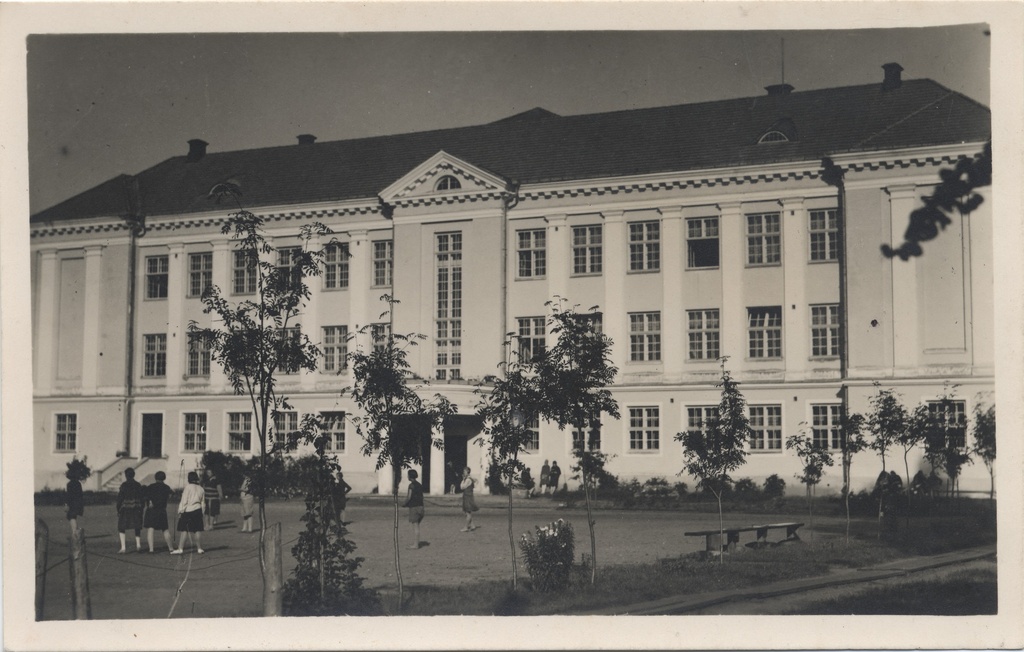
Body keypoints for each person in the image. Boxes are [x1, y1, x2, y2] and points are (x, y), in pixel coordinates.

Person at [172, 471, 206, 554]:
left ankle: (180, 549)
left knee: (184, 530)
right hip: (198, 510)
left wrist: (180, 511)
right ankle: (199, 548)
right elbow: (203, 502)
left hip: (188, 510)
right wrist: (202, 512)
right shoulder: (201, 488)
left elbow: (184, 500)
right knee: (197, 530)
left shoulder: (187, 487)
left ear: (189, 479)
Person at [143, 471, 175, 553]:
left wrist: (149, 502)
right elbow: (172, 493)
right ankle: (171, 548)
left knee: (151, 529)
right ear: (164, 478)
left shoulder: (151, 486)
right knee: (165, 529)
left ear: (155, 478)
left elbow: (145, 495)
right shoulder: (166, 487)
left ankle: (151, 549)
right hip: (162, 510)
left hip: (152, 510)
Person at [116, 467, 145, 553]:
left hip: (125, 509)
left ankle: (123, 547)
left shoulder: (124, 485)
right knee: (137, 526)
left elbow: (119, 499)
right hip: (136, 508)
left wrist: (118, 509)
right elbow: (142, 498)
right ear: (134, 475)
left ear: (126, 475)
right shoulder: (138, 485)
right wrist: (141, 508)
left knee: (121, 527)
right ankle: (138, 545)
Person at [402, 469, 424, 550]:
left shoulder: (411, 486)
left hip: (414, 508)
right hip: (421, 507)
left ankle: (416, 544)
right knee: (417, 525)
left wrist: (404, 504)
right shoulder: (419, 485)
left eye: (408, 475)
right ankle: (416, 543)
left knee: (416, 527)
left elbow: (409, 497)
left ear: (410, 476)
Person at [65, 465, 86, 533]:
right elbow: (80, 494)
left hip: (72, 503)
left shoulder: (69, 484)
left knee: (71, 517)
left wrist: (67, 504)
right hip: (78, 503)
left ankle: (75, 532)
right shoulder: (78, 484)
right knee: (73, 517)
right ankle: (75, 531)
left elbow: (69, 495)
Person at [460, 466, 479, 532]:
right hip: (467, 496)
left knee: (468, 512)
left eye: (464, 472)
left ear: (467, 472)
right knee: (467, 511)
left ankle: (466, 527)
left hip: (468, 497)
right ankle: (472, 525)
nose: (463, 473)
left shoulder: (468, 480)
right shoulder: (469, 479)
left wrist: (463, 479)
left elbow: (462, 487)